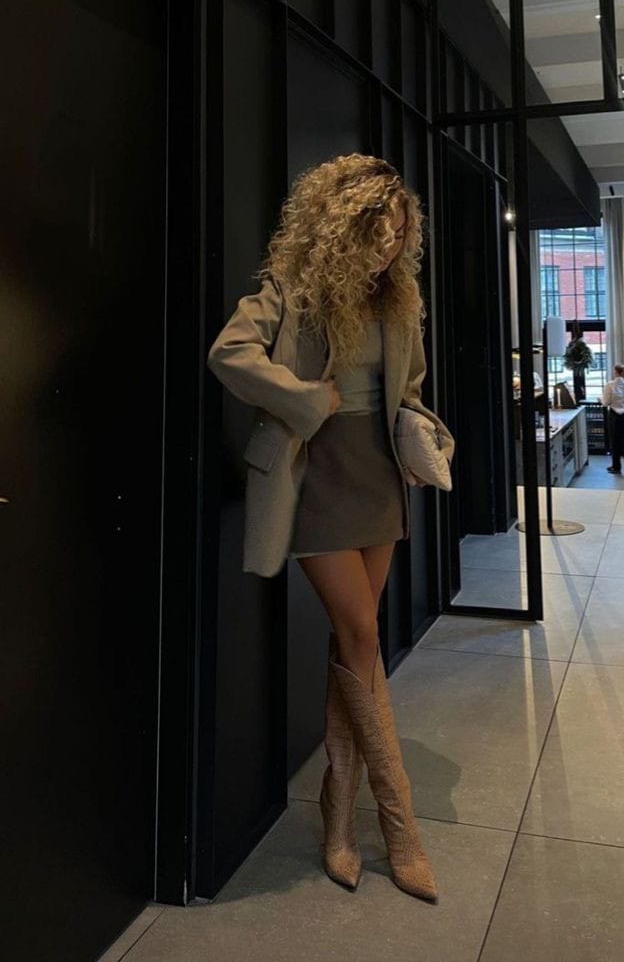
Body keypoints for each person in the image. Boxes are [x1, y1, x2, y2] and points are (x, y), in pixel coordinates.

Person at [207, 154, 455, 904]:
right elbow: (229, 353)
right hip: (313, 477)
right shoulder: (292, 288)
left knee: (354, 642)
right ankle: (400, 823)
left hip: (378, 478)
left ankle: (338, 813)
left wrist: (423, 433)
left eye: (399, 233)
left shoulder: (398, 297)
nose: (389, 245)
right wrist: (304, 399)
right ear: (342, 227)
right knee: (361, 631)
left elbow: (409, 385)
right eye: (378, 232)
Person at [601, 363, 624, 479]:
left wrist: (600, 399)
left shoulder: (610, 385)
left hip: (614, 415)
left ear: (615, 372)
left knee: (615, 441)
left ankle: (616, 466)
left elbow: (606, 402)